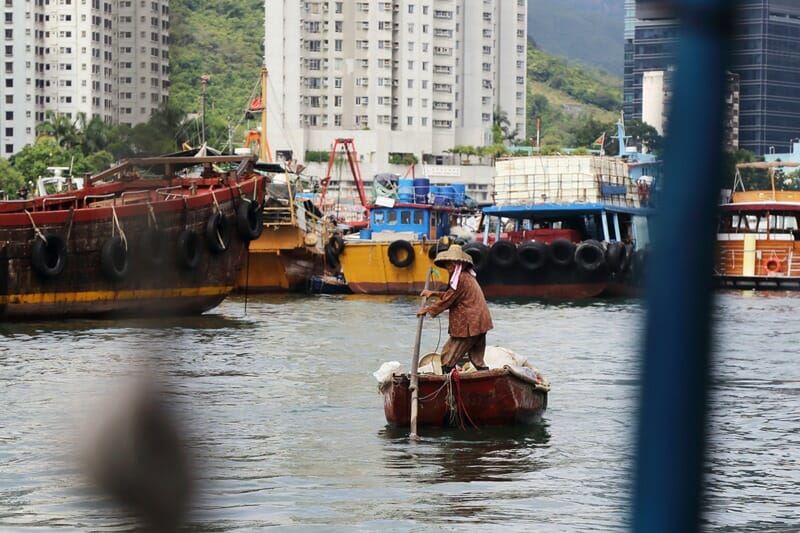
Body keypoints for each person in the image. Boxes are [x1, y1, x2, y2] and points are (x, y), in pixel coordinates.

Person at [416, 244, 494, 374]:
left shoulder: (461, 279)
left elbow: (449, 299)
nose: (448, 269)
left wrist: (428, 310)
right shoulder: (466, 277)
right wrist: (433, 293)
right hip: (479, 323)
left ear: (455, 264)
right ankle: (486, 377)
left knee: (448, 356)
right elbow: (453, 295)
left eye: (449, 265)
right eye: (446, 265)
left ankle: (447, 383)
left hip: (470, 324)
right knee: (477, 358)